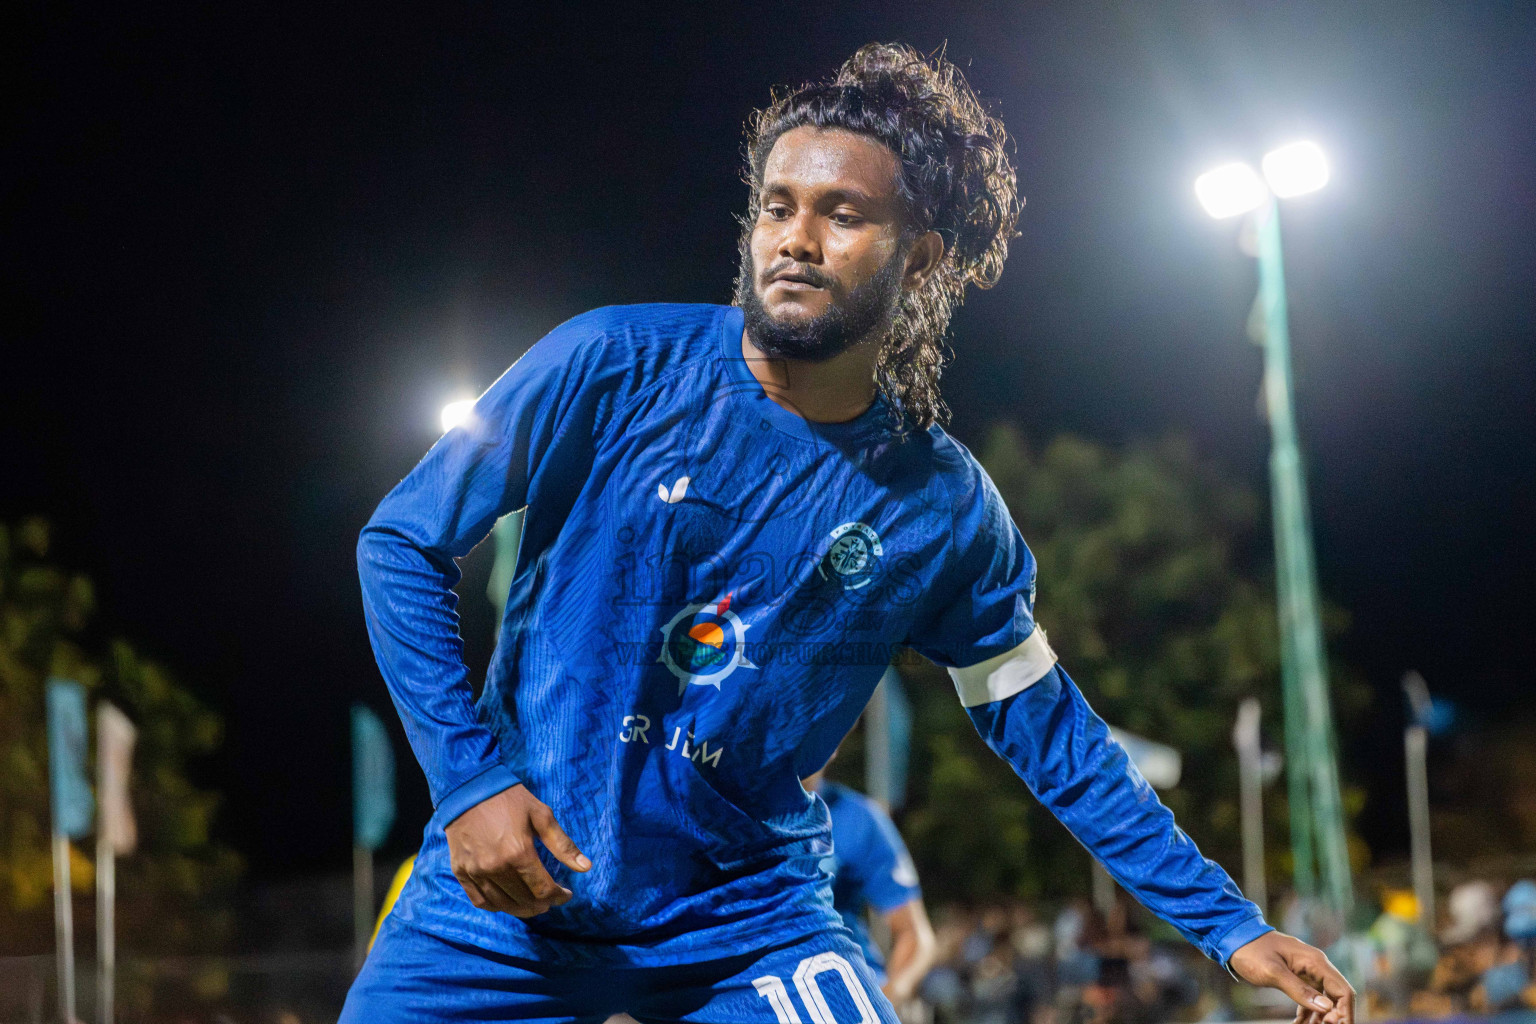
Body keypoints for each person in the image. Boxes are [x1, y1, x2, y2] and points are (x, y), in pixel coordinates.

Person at [343, 42, 1355, 1024]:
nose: (795, 238)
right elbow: (401, 542)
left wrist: (1226, 923)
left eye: (842, 215)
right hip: (500, 914)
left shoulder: (944, 508)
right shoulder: (610, 363)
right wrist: (472, 778)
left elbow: (1053, 734)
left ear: (919, 257)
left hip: (742, 926)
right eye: (778, 207)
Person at [802, 768, 936, 1010]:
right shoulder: (731, 813)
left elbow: (915, 935)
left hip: (848, 998)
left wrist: (886, 1002)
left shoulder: (856, 817)